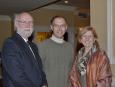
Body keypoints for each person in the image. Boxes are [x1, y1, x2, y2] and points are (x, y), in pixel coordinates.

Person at [1, 12, 47, 87]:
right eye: (24, 22)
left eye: (30, 22)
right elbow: (17, 76)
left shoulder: (33, 46)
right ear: (16, 25)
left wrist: (44, 83)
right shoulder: (10, 44)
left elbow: (40, 70)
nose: (28, 25)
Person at [38, 16, 74, 87]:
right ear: (51, 27)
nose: (59, 29)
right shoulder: (43, 46)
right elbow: (37, 69)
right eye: (56, 25)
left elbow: (72, 70)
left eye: (62, 26)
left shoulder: (70, 47)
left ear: (66, 27)